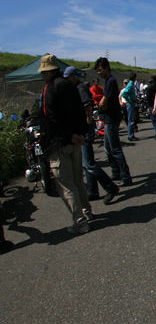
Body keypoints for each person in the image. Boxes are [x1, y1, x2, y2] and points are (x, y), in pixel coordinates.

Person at [37, 55, 93, 234]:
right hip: (75, 140)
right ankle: (87, 212)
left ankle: (80, 222)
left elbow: (51, 117)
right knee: (78, 180)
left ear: (49, 72)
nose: (42, 76)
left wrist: (68, 135)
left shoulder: (50, 88)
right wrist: (80, 134)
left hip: (59, 142)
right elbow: (80, 110)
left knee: (66, 184)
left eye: (43, 72)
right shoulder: (70, 85)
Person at [64, 66, 120, 205]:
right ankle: (92, 191)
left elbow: (88, 104)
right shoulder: (75, 88)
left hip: (85, 129)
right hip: (82, 129)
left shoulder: (80, 88)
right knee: (86, 163)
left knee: (88, 163)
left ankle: (110, 187)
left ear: (73, 76)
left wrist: (88, 119)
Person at [95, 57, 133, 187]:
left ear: (106, 68)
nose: (99, 72)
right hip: (108, 118)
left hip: (111, 119)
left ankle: (125, 176)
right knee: (107, 148)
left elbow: (103, 102)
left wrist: (102, 104)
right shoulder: (107, 81)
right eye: (97, 71)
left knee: (115, 149)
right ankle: (116, 171)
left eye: (100, 70)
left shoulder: (110, 81)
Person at [121, 73, 139, 141]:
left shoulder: (131, 84)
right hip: (130, 105)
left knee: (132, 120)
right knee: (131, 121)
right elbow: (124, 93)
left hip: (132, 103)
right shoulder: (130, 84)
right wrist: (129, 100)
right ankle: (130, 135)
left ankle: (131, 134)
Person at [145, 75, 156, 139]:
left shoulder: (150, 87)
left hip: (152, 104)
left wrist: (148, 104)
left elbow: (148, 97)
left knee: (154, 120)